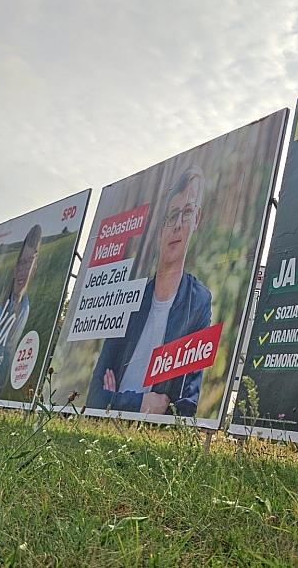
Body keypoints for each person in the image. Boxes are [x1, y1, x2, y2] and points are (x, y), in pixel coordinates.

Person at [87, 167, 212, 417]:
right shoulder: (131, 299)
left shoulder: (198, 301)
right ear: (160, 226)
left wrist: (116, 399)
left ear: (197, 219)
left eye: (186, 213)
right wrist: (140, 404)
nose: (177, 225)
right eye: (172, 215)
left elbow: (186, 404)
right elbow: (95, 396)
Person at [0, 223, 42, 391]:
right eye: (21, 263)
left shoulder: (27, 308)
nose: (23, 270)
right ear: (14, 268)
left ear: (34, 267)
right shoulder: (0, 308)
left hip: (5, 385)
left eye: (28, 263)